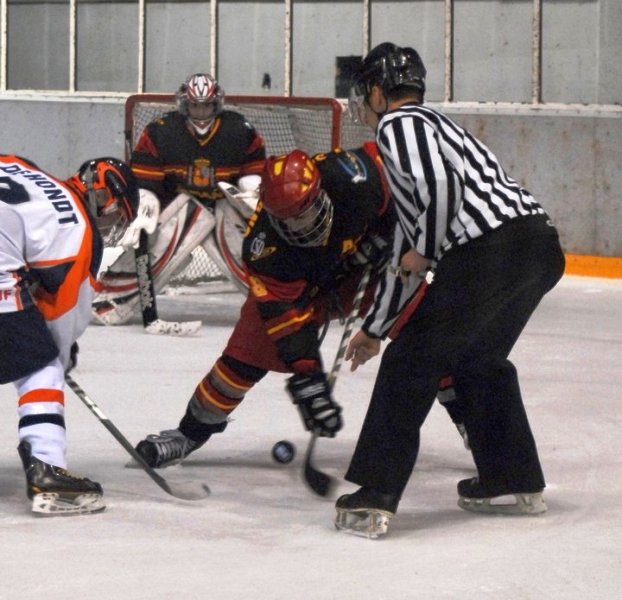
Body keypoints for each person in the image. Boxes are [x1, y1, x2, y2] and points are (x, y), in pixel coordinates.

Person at [334, 42, 566, 538]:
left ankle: (375, 493)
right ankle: (509, 480)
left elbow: (438, 195)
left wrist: (428, 248)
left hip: (490, 250)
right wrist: (374, 328)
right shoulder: (440, 128)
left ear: (378, 90)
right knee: (476, 362)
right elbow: (406, 250)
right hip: (537, 248)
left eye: (365, 91)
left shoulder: (399, 125)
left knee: (411, 361)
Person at [132, 145, 396, 468]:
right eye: (290, 222)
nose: (302, 227)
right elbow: (286, 322)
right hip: (301, 288)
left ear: (320, 191)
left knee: (427, 320)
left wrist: (390, 235)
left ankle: (469, 417)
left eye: (306, 215)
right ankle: (189, 433)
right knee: (243, 357)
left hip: (363, 273)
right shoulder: (263, 250)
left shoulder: (354, 177)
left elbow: (405, 188)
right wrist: (309, 378)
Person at [0, 154, 140, 515]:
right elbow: (59, 317)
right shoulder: (80, 229)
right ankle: (48, 469)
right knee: (41, 363)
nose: (111, 226)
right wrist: (62, 353)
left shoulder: (25, 165)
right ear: (106, 199)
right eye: (116, 216)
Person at [93, 72, 266, 333]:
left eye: (206, 105)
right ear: (185, 103)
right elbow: (145, 183)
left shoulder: (239, 129)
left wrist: (251, 194)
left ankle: (274, 304)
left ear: (216, 104)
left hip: (224, 207)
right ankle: (110, 302)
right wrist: (145, 210)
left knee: (249, 251)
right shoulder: (161, 131)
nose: (200, 111)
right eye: (195, 105)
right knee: (155, 243)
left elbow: (253, 173)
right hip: (179, 207)